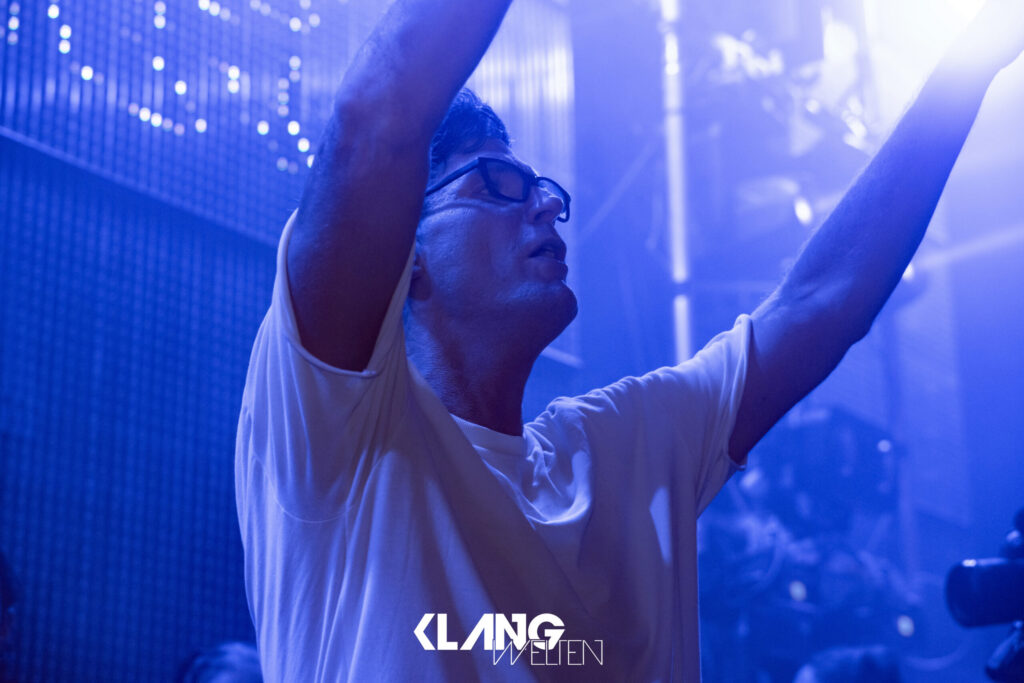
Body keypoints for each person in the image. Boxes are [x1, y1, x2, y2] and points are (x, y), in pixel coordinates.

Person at [233, 0, 1024, 680]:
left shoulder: (619, 449)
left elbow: (822, 302)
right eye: (498, 184)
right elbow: (379, 115)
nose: (547, 204)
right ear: (404, 255)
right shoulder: (337, 426)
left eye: (545, 188)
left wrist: (971, 64)